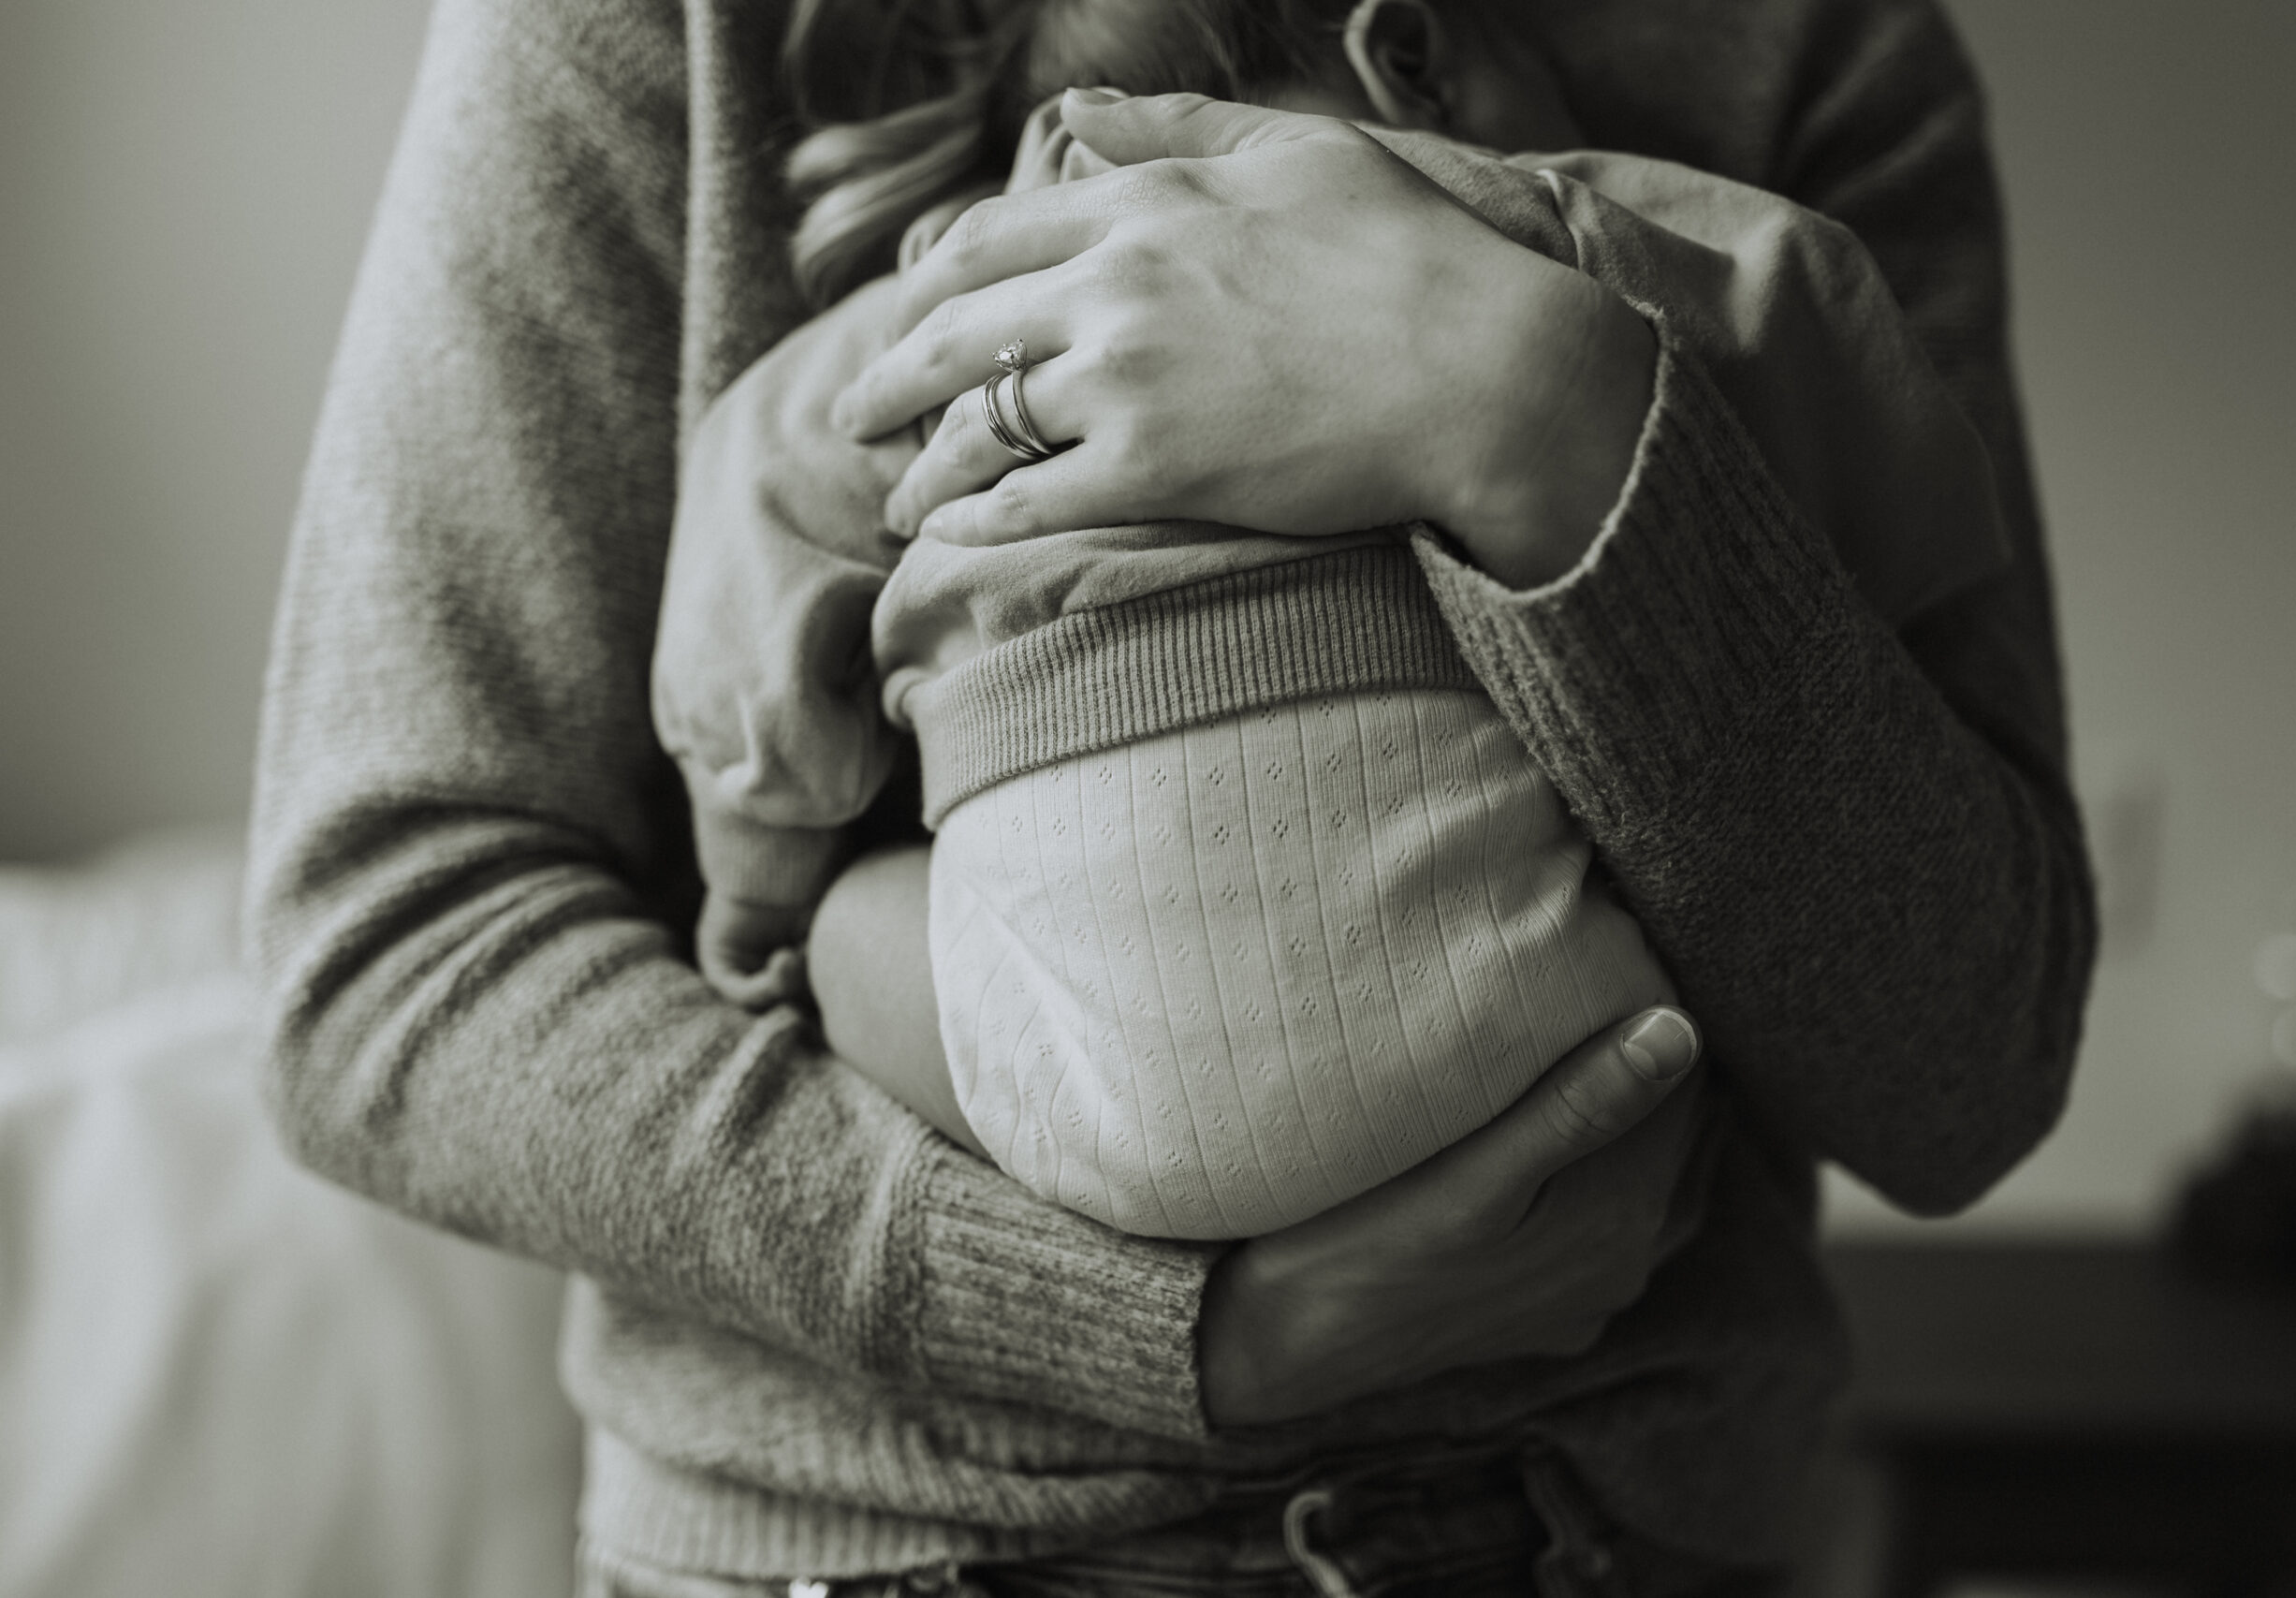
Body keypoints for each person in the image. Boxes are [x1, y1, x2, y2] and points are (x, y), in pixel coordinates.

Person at [245, 0, 2095, 1591]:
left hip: (1593, 1532)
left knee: (836, 935)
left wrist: (1537, 408)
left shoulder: (1807, 44)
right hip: (876, 1542)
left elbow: (1964, 1070)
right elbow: (387, 952)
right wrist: (1177, 1326)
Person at [657, 0, 2012, 1241]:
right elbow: (1813, 302)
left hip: (1081, 1096)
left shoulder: (945, 301)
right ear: (1407, 55)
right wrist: (1869, 556)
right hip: (1552, 1037)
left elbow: (748, 509)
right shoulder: (1525, 208)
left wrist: (767, 890)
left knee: (849, 938)